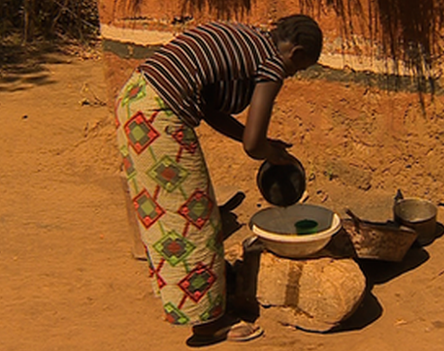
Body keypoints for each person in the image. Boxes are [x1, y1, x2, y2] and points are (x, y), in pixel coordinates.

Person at [114, 14, 323, 347]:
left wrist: (265, 148)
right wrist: (269, 152)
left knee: (162, 215)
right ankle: (208, 323)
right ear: (296, 54)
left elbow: (212, 111)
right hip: (160, 115)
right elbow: (254, 144)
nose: (293, 74)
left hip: (134, 100)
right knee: (195, 219)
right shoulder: (271, 64)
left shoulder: (250, 41)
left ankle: (181, 293)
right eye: (299, 69)